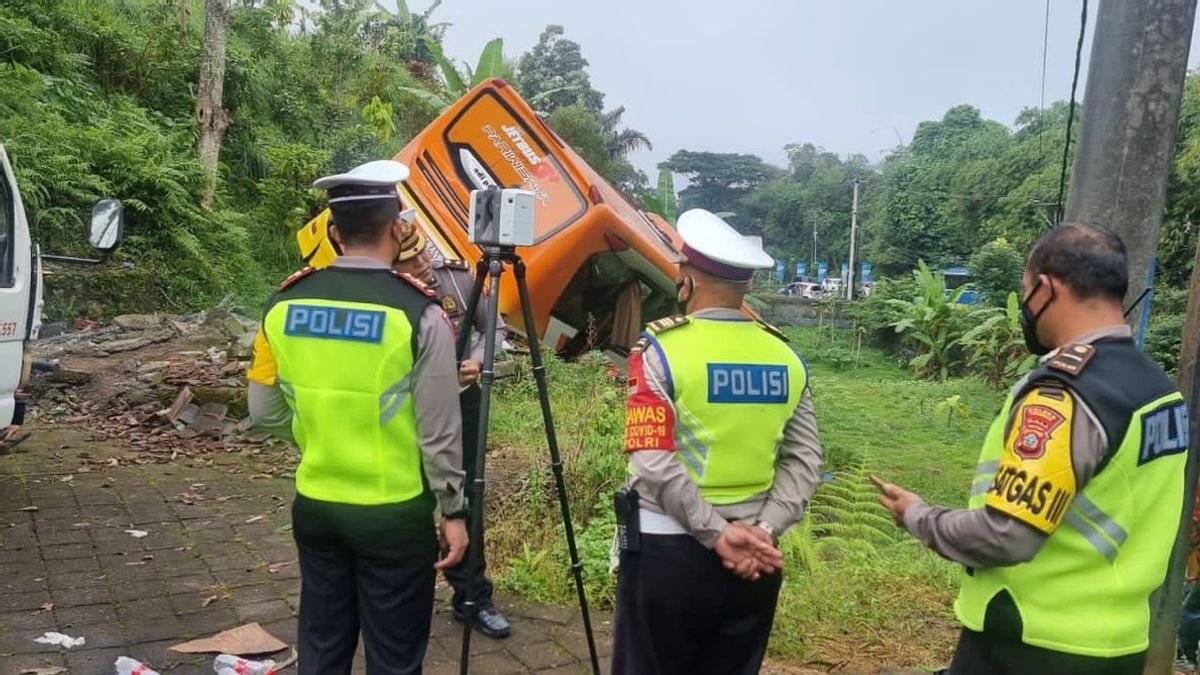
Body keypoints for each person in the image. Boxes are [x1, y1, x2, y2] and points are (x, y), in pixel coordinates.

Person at [877, 222, 1190, 675]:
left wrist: (918, 516)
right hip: (1116, 643)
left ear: (1045, 288)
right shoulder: (1157, 388)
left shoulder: (1063, 393)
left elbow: (1007, 534)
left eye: (1024, 291)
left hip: (1030, 641)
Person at [247, 159, 468, 675]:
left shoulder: (283, 304)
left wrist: (317, 431)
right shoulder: (420, 314)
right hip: (394, 514)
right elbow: (440, 433)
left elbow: (262, 410)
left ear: (332, 230)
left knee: (322, 647)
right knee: (393, 656)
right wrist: (453, 512)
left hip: (317, 507)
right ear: (397, 227)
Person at [611, 208, 824, 675]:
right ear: (745, 286)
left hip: (669, 553)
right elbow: (805, 461)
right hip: (756, 558)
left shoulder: (660, 350)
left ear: (687, 279)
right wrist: (762, 532)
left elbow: (652, 461)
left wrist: (718, 534)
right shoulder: (785, 355)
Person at [392, 227, 512, 639]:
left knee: (467, 497)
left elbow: (494, 327)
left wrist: (478, 361)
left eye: (424, 255)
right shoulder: (383, 292)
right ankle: (405, 595)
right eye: (411, 260)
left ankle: (472, 597)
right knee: (409, 497)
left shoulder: (458, 279)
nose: (424, 265)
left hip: (462, 400)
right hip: (403, 409)